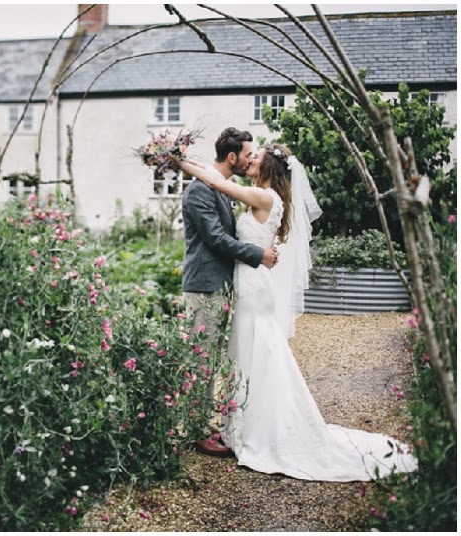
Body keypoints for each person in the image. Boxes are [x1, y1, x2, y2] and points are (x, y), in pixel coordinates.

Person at [177, 144, 417, 481]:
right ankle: (243, 427)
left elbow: (218, 183)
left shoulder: (265, 198)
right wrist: (182, 157)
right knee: (247, 355)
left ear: (269, 167)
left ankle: (259, 431)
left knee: (257, 354)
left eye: (255, 157)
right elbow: (221, 188)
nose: (250, 159)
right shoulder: (260, 195)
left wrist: (178, 159)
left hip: (253, 288)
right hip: (249, 283)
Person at [180, 127, 278, 457]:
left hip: (222, 286)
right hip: (205, 285)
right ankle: (196, 431)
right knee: (201, 359)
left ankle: (205, 422)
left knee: (211, 358)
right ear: (233, 157)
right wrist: (258, 255)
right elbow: (216, 239)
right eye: (248, 154)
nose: (251, 159)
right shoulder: (199, 192)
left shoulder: (220, 188)